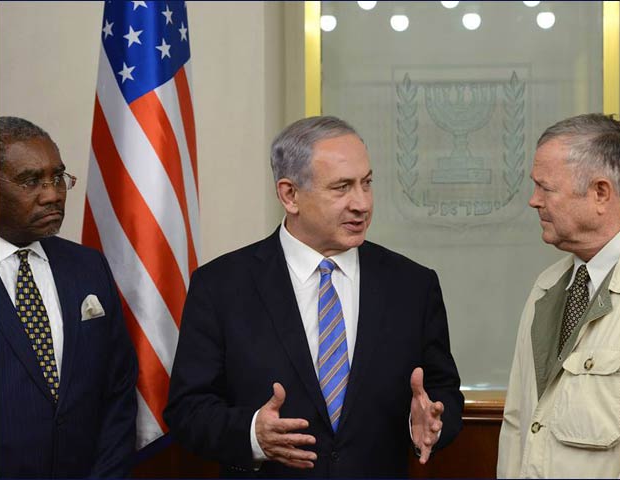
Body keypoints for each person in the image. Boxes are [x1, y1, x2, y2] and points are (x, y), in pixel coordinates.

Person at [164, 115, 463, 477]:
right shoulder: (221, 286)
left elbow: (441, 390)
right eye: (342, 188)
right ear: (290, 195)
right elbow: (188, 410)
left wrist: (433, 422)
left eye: (366, 184)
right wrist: (253, 434)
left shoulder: (412, 285)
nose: (362, 204)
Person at [0, 116, 138, 477]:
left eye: (58, 177)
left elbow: (118, 388)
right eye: (31, 181)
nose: (53, 194)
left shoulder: (87, 267)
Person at [497, 113, 620, 478]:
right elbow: (517, 425)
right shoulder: (547, 287)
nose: (534, 201)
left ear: (600, 193)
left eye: (546, 188)